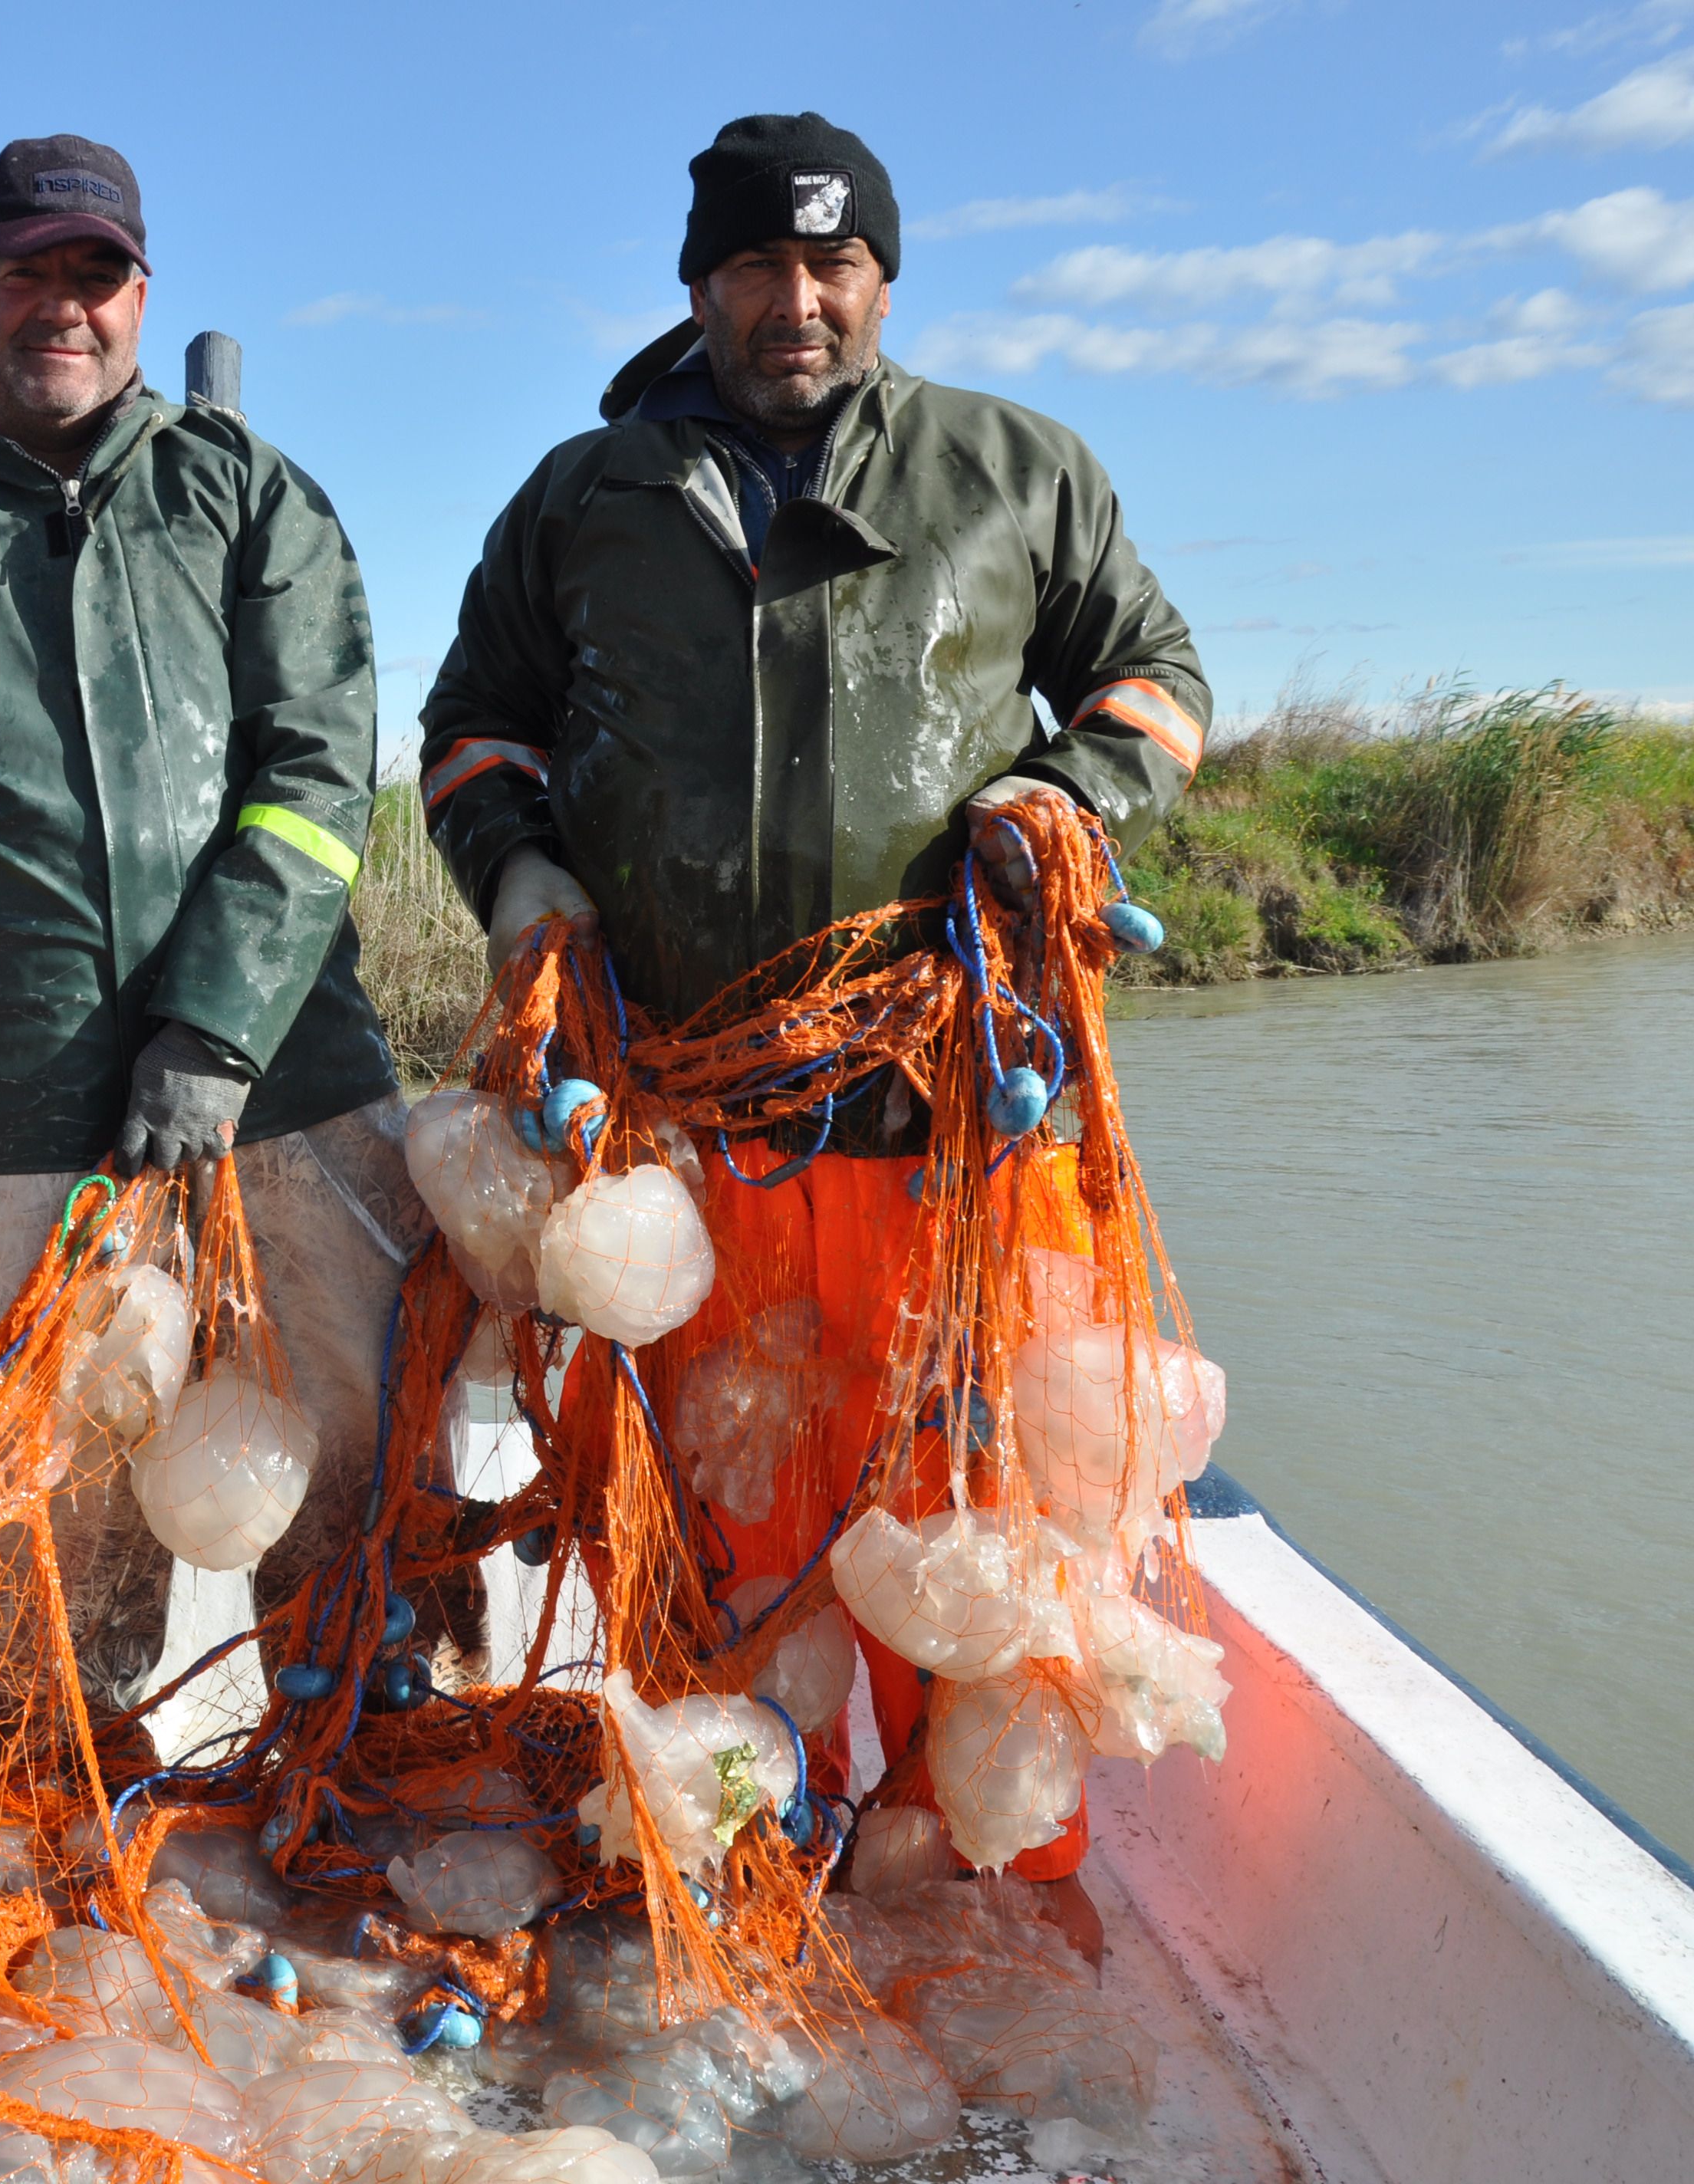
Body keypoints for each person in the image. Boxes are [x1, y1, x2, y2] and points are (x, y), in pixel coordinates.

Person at [413, 113, 1209, 1962]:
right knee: (721, 1528)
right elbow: (472, 730)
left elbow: (1158, 678)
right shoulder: (578, 499)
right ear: (697, 284)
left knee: (979, 1531)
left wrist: (1065, 793)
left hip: (956, 1130)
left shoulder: (1015, 469)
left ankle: (988, 1902)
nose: (794, 301)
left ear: (881, 278)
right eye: (755, 267)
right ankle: (750, 1885)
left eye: (829, 265)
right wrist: (520, 873)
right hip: (697, 1144)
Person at [0, 135, 449, 1758]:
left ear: (141, 297)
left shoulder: (249, 501)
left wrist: (216, 1027)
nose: (62, 305)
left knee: (348, 1463)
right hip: (5, 1127)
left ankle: (369, 1783)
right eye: (26, 272)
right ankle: (33, 1821)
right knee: (41, 1536)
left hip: (292, 1094)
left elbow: (319, 777)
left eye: (93, 276)